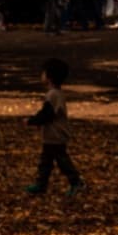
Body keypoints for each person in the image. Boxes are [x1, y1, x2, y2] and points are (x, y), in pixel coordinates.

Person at [24, 57, 82, 197]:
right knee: (46, 161)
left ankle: (76, 182)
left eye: (43, 72)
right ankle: (41, 184)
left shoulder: (53, 95)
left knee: (62, 161)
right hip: (51, 136)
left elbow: (47, 113)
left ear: (49, 77)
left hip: (56, 135)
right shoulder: (56, 94)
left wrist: (32, 121)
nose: (41, 75)